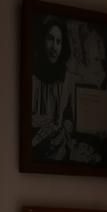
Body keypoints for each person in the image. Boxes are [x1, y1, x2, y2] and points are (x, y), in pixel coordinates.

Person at [31, 17, 72, 160]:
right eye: (50, 39)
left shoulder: (66, 78)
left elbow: (68, 115)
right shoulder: (31, 75)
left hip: (59, 148)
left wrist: (64, 128)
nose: (54, 47)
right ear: (42, 40)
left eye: (58, 42)